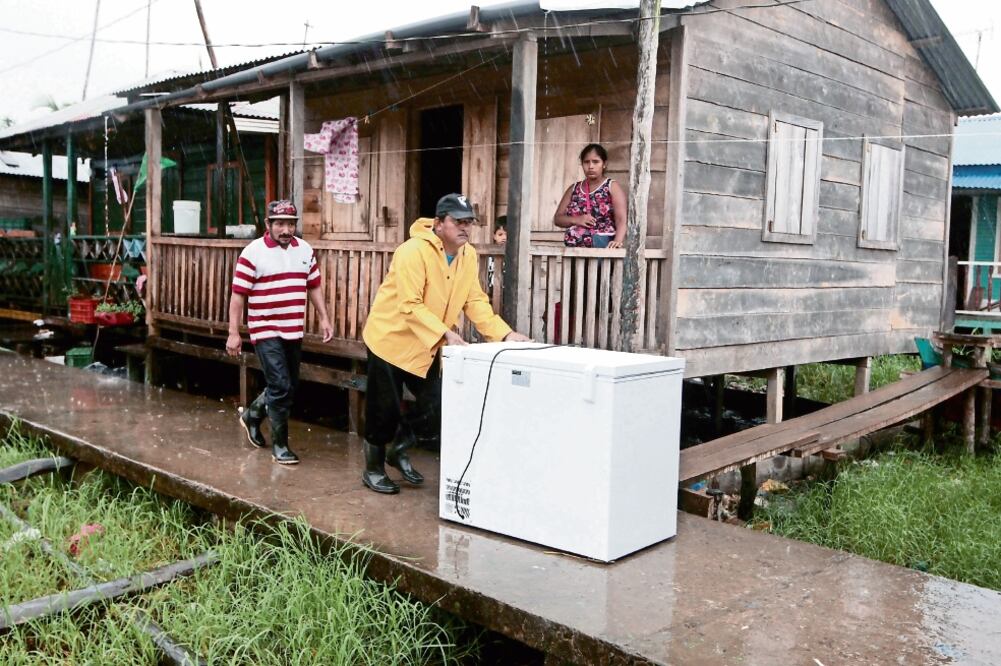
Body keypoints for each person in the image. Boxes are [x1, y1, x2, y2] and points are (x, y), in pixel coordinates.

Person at [360, 193, 530, 494]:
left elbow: (474, 300)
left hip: (427, 344)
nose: (465, 228)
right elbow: (409, 304)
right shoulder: (412, 251)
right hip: (391, 340)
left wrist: (504, 334)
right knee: (383, 408)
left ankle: (400, 446)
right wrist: (445, 333)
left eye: (469, 222)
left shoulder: (469, 255)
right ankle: (372, 468)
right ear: (439, 223)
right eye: (458, 222)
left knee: (437, 407)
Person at [227, 200, 333, 465]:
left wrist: (324, 318)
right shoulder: (252, 253)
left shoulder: (305, 250)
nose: (286, 230)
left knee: (289, 386)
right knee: (280, 385)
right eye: (280, 224)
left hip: (293, 328)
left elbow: (314, 286)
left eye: (291, 224)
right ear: (268, 225)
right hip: (265, 328)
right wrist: (233, 332)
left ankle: (252, 415)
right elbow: (238, 296)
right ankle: (281, 446)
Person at [553, 143, 627, 249]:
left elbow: (621, 219)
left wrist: (617, 241)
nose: (591, 166)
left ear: (604, 164)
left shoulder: (611, 186)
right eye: (586, 162)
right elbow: (558, 219)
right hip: (574, 254)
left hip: (602, 251)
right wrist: (577, 220)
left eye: (596, 162)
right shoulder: (573, 189)